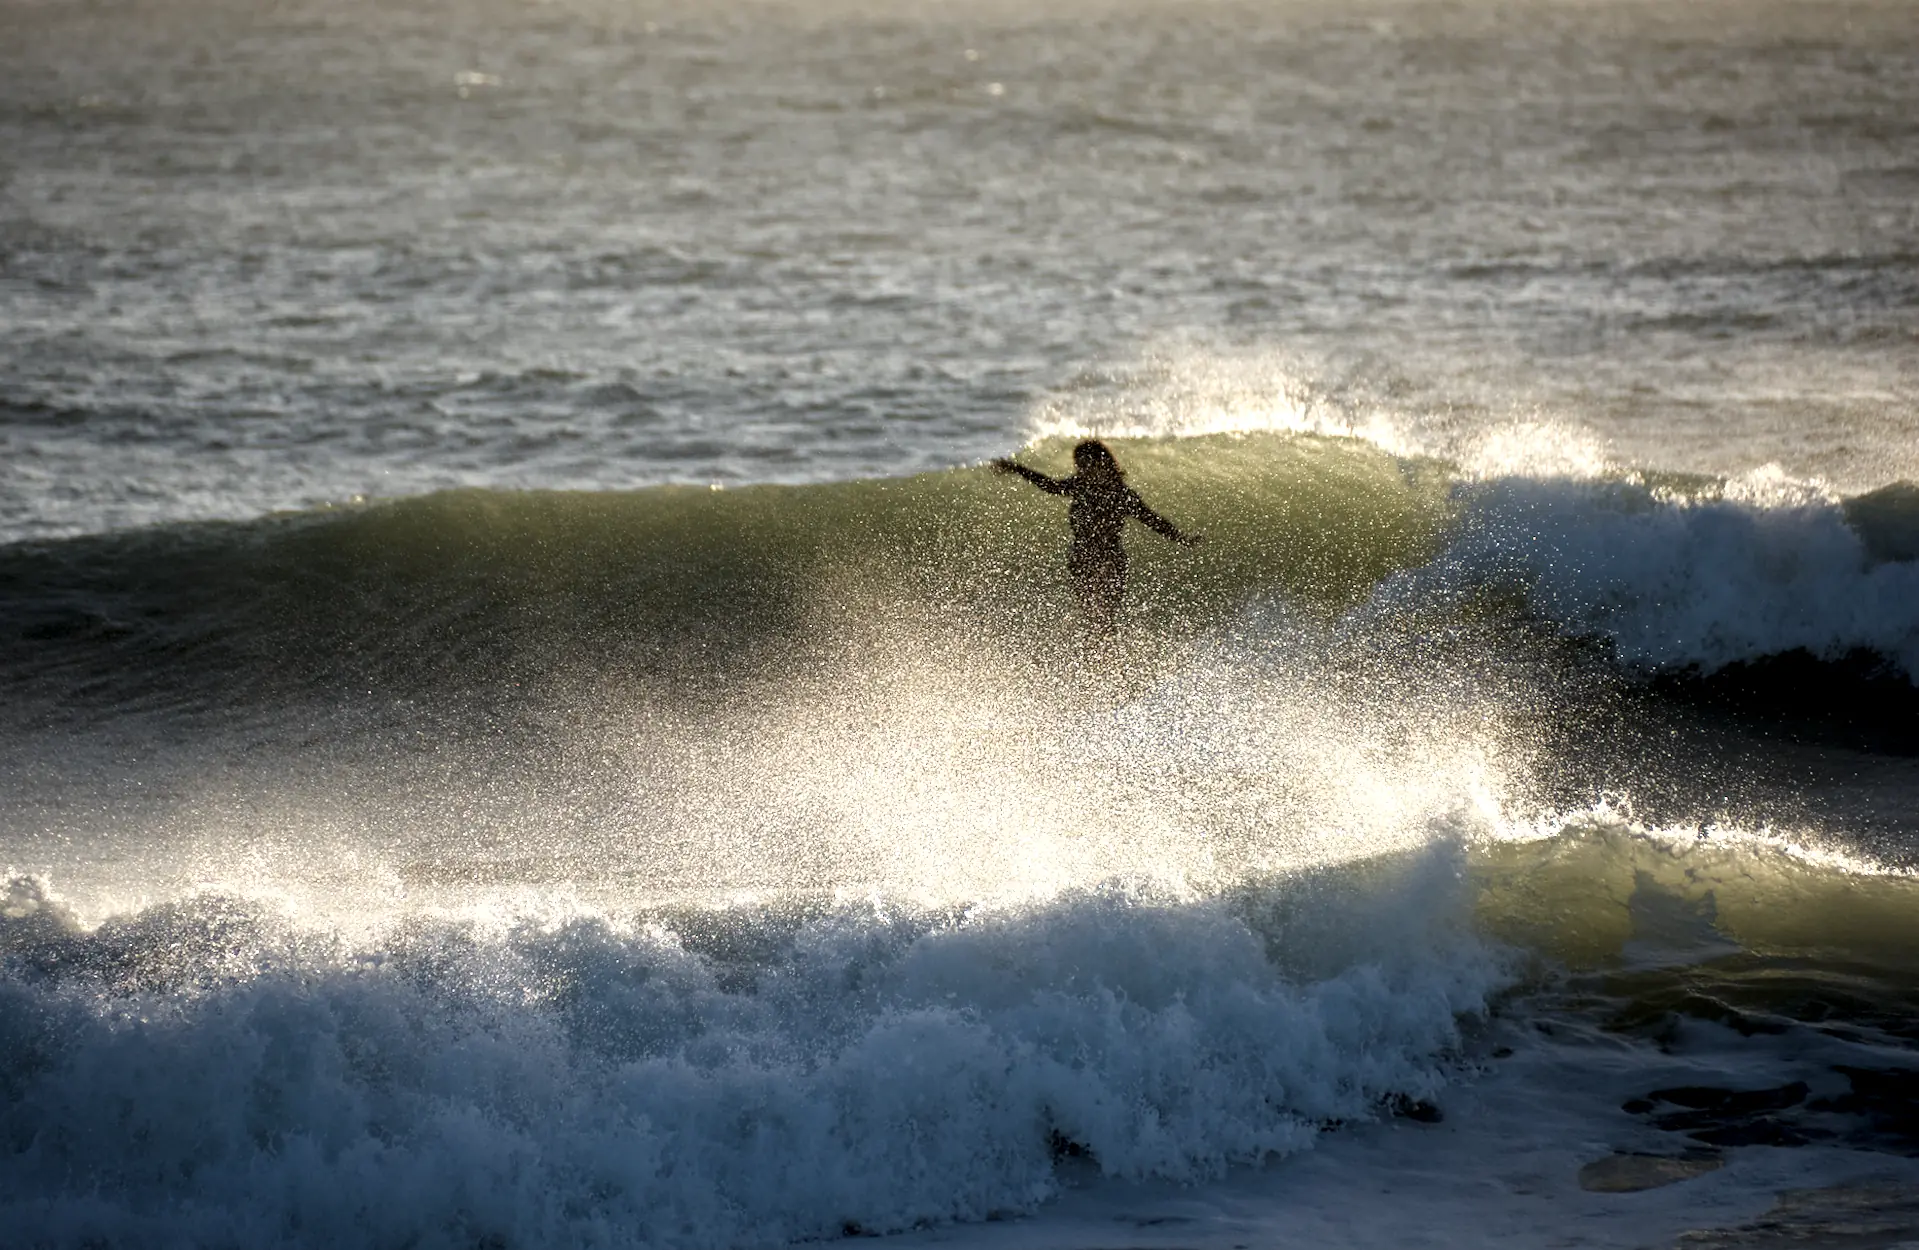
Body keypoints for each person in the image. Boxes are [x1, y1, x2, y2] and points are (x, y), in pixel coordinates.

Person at [992, 439, 1201, 635]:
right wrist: (1017, 468)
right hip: (1082, 556)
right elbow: (1050, 486)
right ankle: (1094, 659)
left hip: (1111, 557)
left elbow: (1153, 520)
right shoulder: (1079, 485)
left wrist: (1182, 538)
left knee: (1106, 616)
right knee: (1091, 615)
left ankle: (1105, 658)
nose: (1081, 469)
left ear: (1103, 463)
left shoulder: (1121, 494)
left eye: (1085, 464)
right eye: (1078, 465)